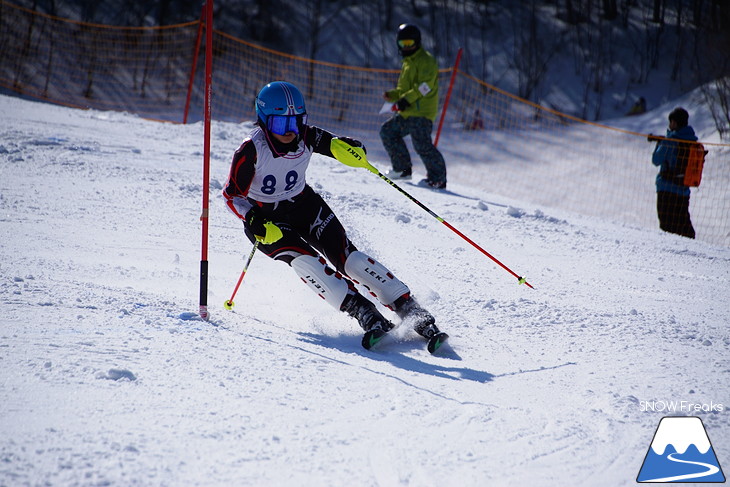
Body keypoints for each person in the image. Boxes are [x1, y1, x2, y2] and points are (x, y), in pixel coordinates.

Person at [223, 81, 447, 351]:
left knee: (348, 258)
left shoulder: (305, 135)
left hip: (304, 205)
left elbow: (333, 144)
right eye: (282, 125)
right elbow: (231, 195)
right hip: (266, 221)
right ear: (264, 121)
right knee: (308, 263)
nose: (290, 132)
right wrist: (251, 218)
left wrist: (351, 151)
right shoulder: (251, 149)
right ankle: (364, 312)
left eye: (297, 122)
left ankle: (410, 308)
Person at [380, 23, 447, 189]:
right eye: (403, 44)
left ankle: (437, 179)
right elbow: (405, 90)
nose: (407, 47)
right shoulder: (408, 62)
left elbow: (425, 86)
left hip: (422, 112)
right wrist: (394, 95)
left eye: (409, 43)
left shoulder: (427, 61)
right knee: (388, 132)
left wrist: (405, 100)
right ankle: (402, 169)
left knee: (421, 144)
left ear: (417, 42)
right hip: (408, 111)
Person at [649, 107, 696, 239]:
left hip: (666, 190)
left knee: (667, 227)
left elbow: (656, 160)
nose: (669, 125)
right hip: (683, 191)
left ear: (675, 123)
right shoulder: (692, 141)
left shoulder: (671, 141)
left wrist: (660, 143)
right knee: (683, 225)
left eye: (671, 122)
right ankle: (692, 250)